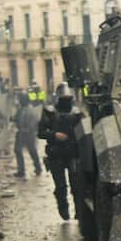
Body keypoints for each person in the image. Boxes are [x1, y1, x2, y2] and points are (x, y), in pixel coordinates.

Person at [37, 83, 83, 220]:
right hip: (56, 153)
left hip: (73, 153)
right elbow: (40, 132)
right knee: (61, 186)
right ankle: (64, 210)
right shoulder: (49, 112)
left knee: (76, 186)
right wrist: (54, 135)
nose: (66, 100)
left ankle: (79, 212)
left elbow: (84, 132)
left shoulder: (77, 113)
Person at [13, 91, 42, 179]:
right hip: (25, 132)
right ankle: (30, 169)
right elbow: (16, 119)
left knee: (31, 150)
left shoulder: (29, 110)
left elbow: (33, 123)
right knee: (22, 150)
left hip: (26, 133)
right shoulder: (25, 109)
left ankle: (36, 168)